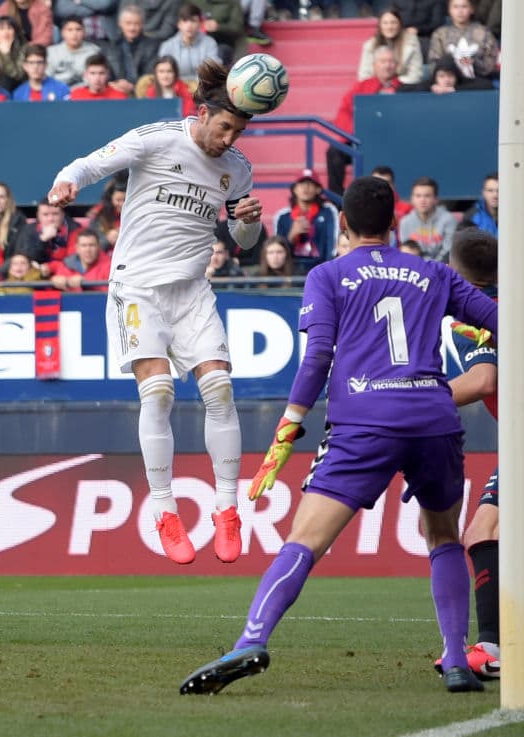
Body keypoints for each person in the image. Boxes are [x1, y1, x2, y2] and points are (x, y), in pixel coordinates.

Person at [179, 176, 498, 696]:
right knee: (443, 538)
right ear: (395, 223)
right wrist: (475, 327)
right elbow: (502, 319)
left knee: (304, 541)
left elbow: (318, 356)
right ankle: (458, 660)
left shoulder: (329, 275)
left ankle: (251, 639)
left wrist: (288, 427)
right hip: (434, 419)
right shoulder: (434, 272)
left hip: (365, 421)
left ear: (343, 223)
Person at [48, 59, 264, 566]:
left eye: (238, 131)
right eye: (224, 126)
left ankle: (227, 508)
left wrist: (249, 222)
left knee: (219, 387)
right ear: (203, 112)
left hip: (192, 289)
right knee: (160, 390)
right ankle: (165, 510)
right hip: (137, 286)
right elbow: (91, 163)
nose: (227, 139)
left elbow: (244, 239)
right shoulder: (158, 138)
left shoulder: (239, 170)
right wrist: (65, 183)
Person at [444, 227, 500, 680]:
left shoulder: (470, 314)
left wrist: (419, 397)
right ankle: (495, 645)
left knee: (483, 530)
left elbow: (484, 380)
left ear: (450, 267)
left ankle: (493, 646)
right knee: (486, 529)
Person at [326, 46, 401, 195]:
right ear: (374, 65)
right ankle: (338, 201)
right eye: (383, 61)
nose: (387, 65)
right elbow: (343, 114)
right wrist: (358, 133)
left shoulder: (405, 88)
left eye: (391, 62)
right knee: (334, 152)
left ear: (396, 65)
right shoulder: (362, 87)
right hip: (362, 142)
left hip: (394, 142)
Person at [271, 169, 340, 273]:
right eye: (301, 183)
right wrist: (292, 235)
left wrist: (327, 272)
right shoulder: (282, 216)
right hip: (289, 271)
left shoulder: (329, 211)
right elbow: (276, 250)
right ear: (294, 189)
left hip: (320, 269)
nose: (305, 187)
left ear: (318, 189)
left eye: (310, 184)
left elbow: (333, 246)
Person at [428, 0, 499, 81]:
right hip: (447, 80)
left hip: (478, 81)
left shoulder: (484, 32)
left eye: (464, 6)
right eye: (455, 7)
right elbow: (433, 62)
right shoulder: (440, 34)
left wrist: (474, 63)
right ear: (449, 10)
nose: (460, 11)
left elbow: (490, 63)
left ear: (472, 9)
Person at [100, 5, 158, 97]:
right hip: (115, 93)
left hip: (142, 94)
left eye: (136, 24)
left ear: (142, 24)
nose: (132, 28)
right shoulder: (111, 47)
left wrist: (132, 86)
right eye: (128, 23)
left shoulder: (152, 46)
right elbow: (106, 73)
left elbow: (150, 76)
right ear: (120, 23)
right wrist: (114, 84)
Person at [397, 176, 457, 262]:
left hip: (441, 269)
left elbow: (448, 251)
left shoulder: (449, 220)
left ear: (436, 199)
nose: (422, 200)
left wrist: (432, 268)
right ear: (412, 199)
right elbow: (407, 252)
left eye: (427, 196)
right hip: (415, 269)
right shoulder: (405, 222)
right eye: (418, 196)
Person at [357, 8, 423, 84]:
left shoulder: (411, 42)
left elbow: (415, 75)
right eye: (385, 23)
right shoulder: (370, 45)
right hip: (377, 87)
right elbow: (364, 76)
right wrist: (381, 84)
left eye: (393, 23)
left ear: (400, 25)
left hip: (403, 86)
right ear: (380, 26)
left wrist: (393, 83)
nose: (389, 27)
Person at [157, 4, 221, 81]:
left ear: (200, 23)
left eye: (193, 21)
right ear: (179, 24)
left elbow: (212, 70)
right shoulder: (167, 46)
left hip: (202, 87)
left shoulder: (210, 43)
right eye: (185, 21)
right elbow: (164, 74)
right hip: (175, 88)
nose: (189, 25)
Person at [46, 17, 99, 88]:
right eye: (69, 30)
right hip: (57, 92)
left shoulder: (93, 51)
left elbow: (94, 79)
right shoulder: (51, 52)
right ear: (62, 33)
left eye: (78, 29)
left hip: (83, 92)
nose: (74, 34)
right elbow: (47, 78)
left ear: (84, 32)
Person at [0, 16, 25, 92]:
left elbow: (18, 75)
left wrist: (6, 55)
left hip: (17, 87)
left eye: (9, 28)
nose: (6, 32)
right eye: (1, 29)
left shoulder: (24, 49)